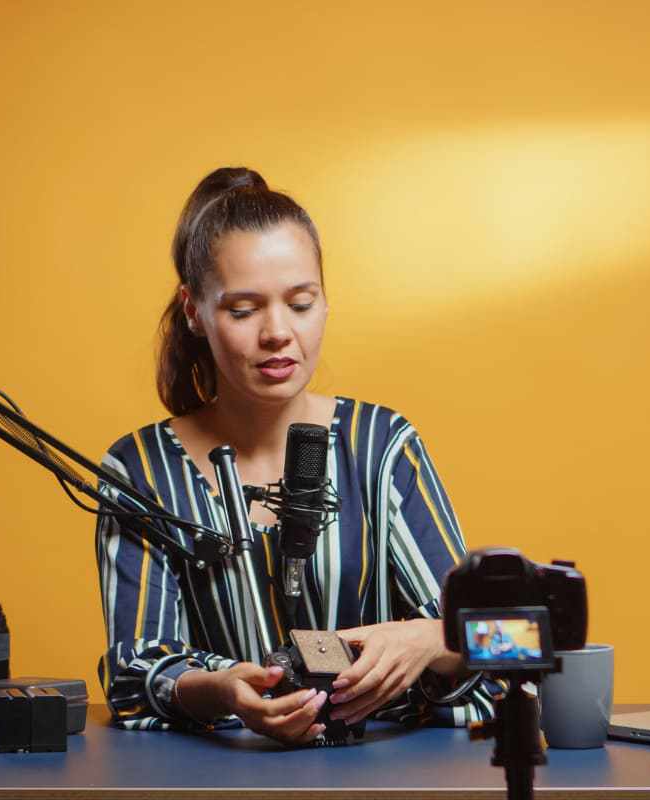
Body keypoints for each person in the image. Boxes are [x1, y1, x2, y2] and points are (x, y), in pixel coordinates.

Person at [95, 167, 493, 746]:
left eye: (301, 303)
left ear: (325, 303)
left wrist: (429, 640)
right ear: (193, 310)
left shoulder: (381, 446)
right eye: (243, 310)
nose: (277, 332)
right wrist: (221, 686)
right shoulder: (139, 471)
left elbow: (483, 644)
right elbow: (135, 672)